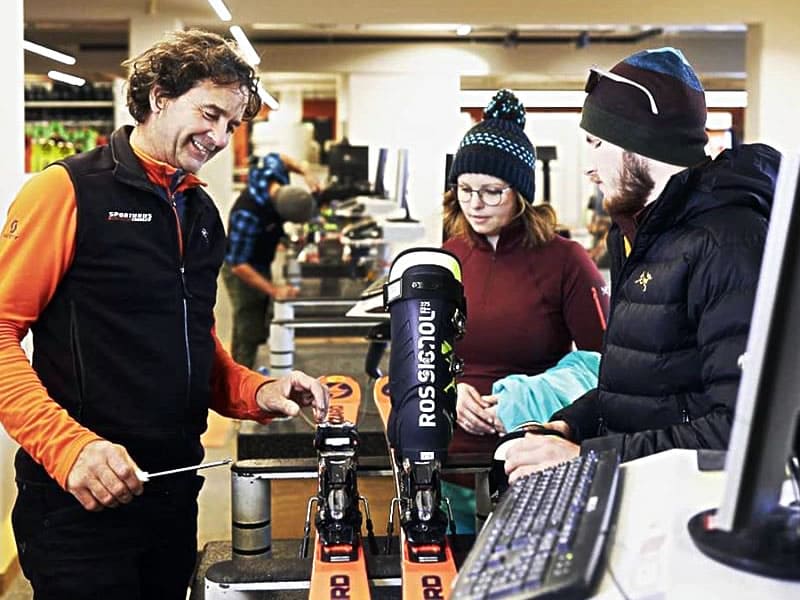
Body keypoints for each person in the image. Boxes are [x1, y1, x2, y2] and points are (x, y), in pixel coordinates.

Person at [0, 30, 329, 600]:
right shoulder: (66, 190)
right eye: (210, 113)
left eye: (233, 124)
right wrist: (67, 446)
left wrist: (260, 391)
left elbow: (193, 346)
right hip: (79, 504)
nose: (222, 137)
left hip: (174, 492)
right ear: (157, 96)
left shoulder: (200, 211)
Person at [505, 47, 781, 482]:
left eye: (597, 144)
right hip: (634, 489)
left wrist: (586, 456)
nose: (590, 170)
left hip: (681, 511)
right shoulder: (641, 235)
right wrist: (571, 424)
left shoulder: (728, 244)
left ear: (641, 144)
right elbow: (642, 390)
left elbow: (742, 431)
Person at [441, 89, 608, 530]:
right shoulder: (447, 259)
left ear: (521, 193)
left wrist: (523, 399)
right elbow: (420, 355)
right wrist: (451, 391)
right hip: (451, 459)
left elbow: (605, 365)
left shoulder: (566, 261)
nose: (476, 203)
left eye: (492, 191)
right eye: (465, 189)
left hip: (532, 454)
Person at [222, 152, 319, 368]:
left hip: (258, 258)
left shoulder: (273, 173)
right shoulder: (248, 215)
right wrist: (275, 290)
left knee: (258, 316)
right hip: (240, 266)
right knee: (248, 323)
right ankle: (240, 379)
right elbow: (239, 264)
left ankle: (244, 370)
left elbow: (283, 158)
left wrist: (306, 172)